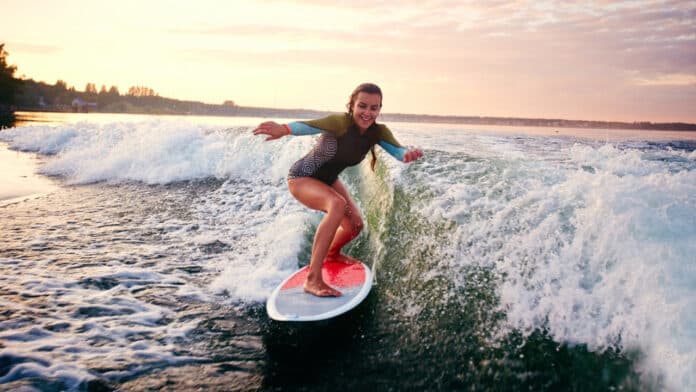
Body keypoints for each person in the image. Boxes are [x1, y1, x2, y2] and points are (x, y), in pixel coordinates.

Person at [253, 83, 423, 297]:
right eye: (362, 106)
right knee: (337, 204)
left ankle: (332, 254)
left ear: (379, 109)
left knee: (354, 225)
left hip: (328, 180)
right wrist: (284, 129)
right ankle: (313, 279)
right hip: (302, 177)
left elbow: (399, 152)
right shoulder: (339, 122)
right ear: (352, 105)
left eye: (374, 108)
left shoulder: (378, 132)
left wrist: (408, 155)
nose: (367, 113)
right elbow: (308, 126)